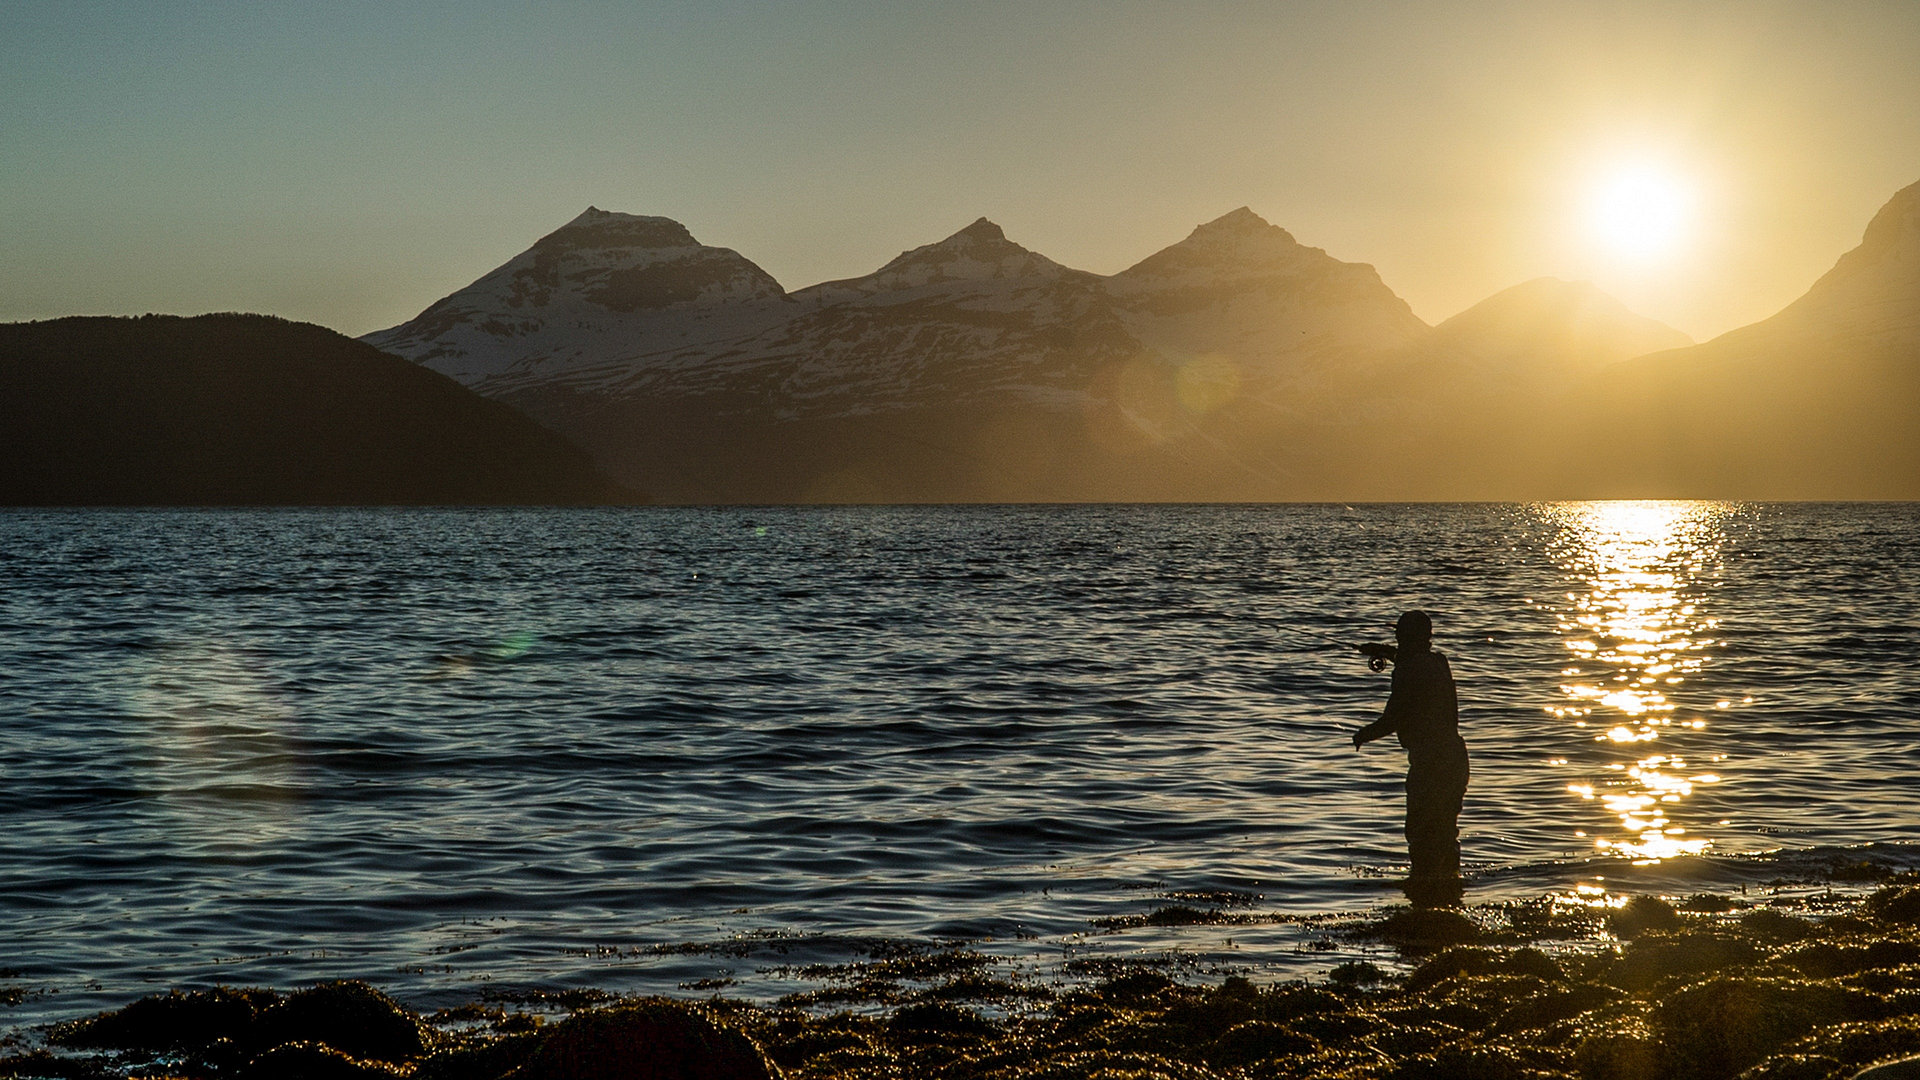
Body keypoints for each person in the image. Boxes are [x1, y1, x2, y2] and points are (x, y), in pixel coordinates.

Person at [1352, 610, 1468, 899]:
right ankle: (1449, 891)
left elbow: (1394, 719)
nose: (1397, 640)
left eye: (1399, 636)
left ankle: (1425, 895)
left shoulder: (1408, 671)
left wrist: (1363, 734)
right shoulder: (1439, 662)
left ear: (1405, 637)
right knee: (1444, 831)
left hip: (1431, 764)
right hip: (1455, 759)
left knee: (1422, 832)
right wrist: (1385, 652)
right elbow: (1414, 660)